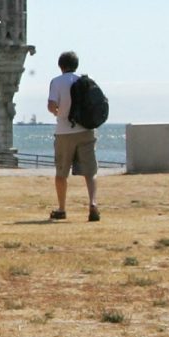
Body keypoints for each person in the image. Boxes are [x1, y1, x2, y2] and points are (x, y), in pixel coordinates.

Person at [47, 50, 100, 222]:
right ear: (76, 65)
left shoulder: (56, 82)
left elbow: (51, 105)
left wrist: (59, 113)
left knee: (61, 172)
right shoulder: (84, 81)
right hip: (86, 130)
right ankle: (93, 203)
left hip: (64, 132)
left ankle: (62, 209)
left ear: (60, 66)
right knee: (90, 171)